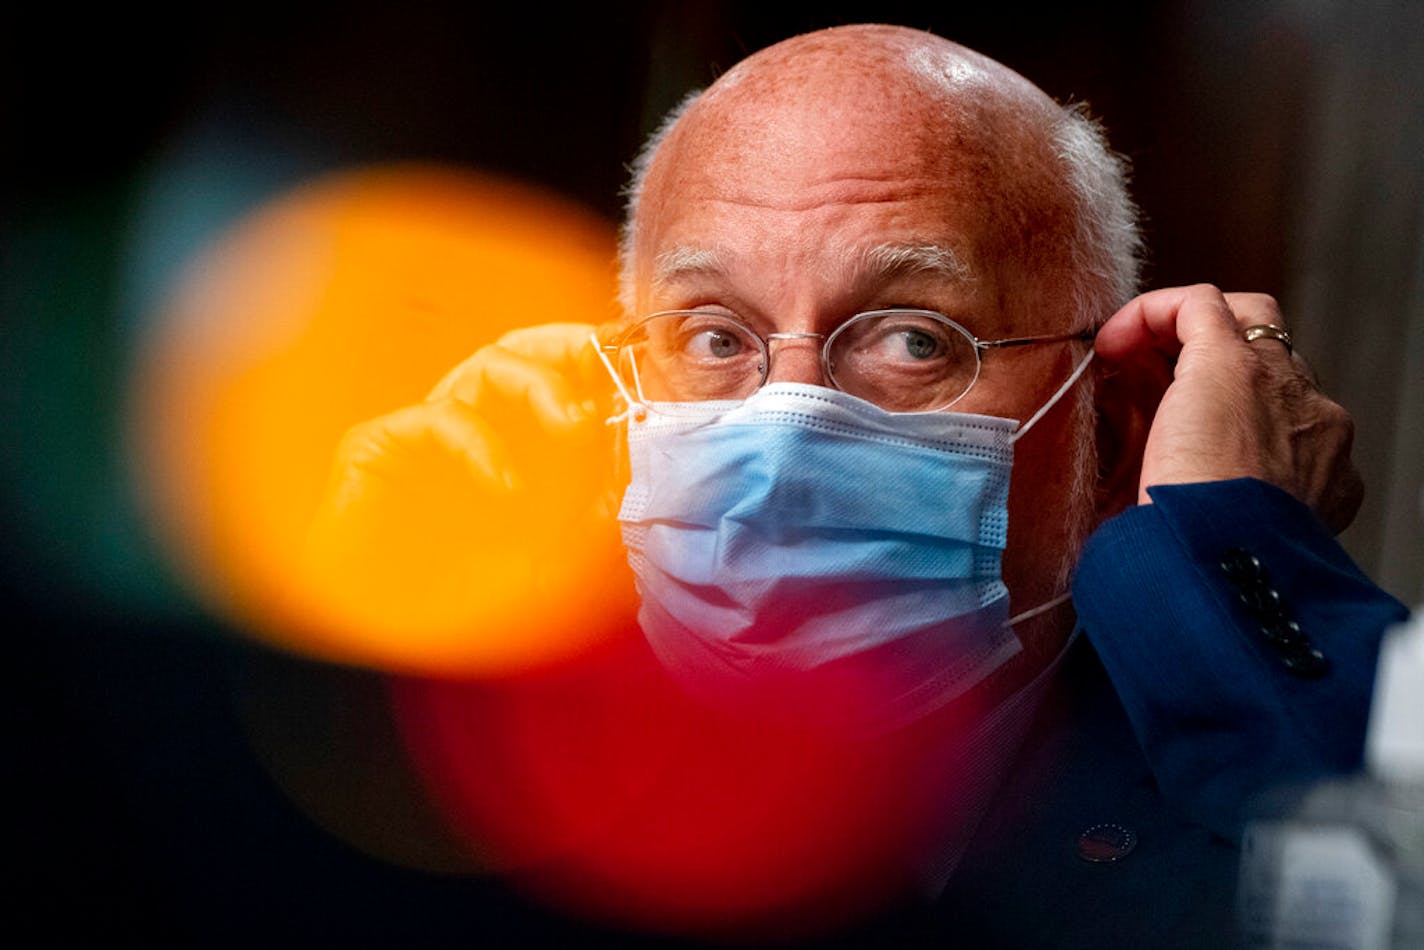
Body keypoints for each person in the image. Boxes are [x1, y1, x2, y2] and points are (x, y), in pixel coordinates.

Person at [307, 24, 1409, 947]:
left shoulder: (1248, 779)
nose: (782, 428)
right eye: (713, 334)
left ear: (1111, 430)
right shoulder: (483, 780)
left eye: (912, 339)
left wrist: (1244, 562)